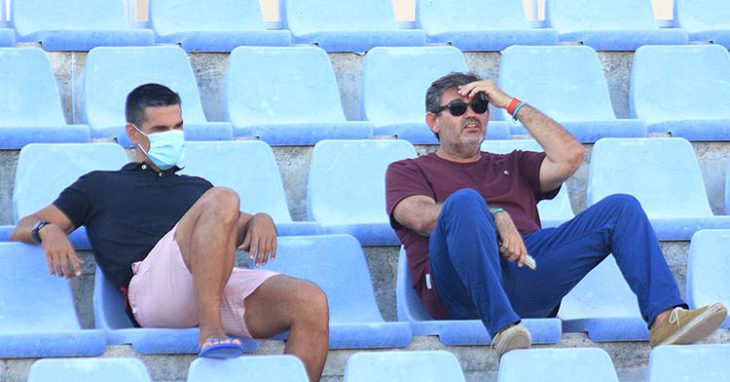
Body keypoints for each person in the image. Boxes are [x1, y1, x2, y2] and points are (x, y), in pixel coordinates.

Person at [385, 72, 727, 357]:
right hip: (460, 290)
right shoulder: (407, 170)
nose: (471, 113)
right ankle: (502, 325)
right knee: (464, 202)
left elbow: (570, 156)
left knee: (621, 208)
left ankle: (665, 318)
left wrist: (511, 103)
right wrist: (496, 215)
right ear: (433, 122)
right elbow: (424, 218)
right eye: (458, 108)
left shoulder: (512, 164)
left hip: (527, 273)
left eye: (480, 105)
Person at [11, 83, 329, 381]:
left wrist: (262, 219)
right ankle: (211, 332)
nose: (173, 136)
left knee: (310, 302)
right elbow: (25, 226)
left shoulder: (196, 189)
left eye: (177, 127)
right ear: (133, 134)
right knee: (223, 196)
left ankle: (216, 323)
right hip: (152, 293)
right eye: (161, 130)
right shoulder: (99, 185)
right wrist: (47, 230)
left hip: (210, 284)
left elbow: (241, 222)